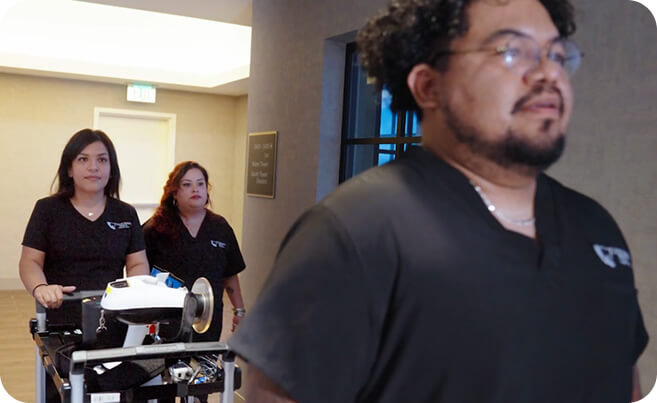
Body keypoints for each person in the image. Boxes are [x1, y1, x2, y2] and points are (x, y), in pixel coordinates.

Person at [229, 0, 649, 402]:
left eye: (556, 55)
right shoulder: (357, 230)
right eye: (512, 51)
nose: (548, 74)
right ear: (429, 86)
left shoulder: (596, 228)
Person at [19, 128, 150, 402]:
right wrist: (41, 288)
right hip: (62, 322)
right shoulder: (48, 209)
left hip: (113, 321)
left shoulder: (126, 213)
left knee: (112, 393)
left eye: (102, 160)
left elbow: (137, 263)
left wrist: (135, 289)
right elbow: (30, 261)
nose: (93, 167)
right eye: (83, 159)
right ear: (69, 169)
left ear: (111, 169)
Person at [143, 161, 246, 342]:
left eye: (200, 184)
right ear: (175, 192)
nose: (195, 189)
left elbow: (230, 274)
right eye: (187, 184)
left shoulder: (220, 228)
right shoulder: (156, 228)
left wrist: (239, 310)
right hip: (167, 319)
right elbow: (139, 271)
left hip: (208, 318)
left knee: (205, 358)